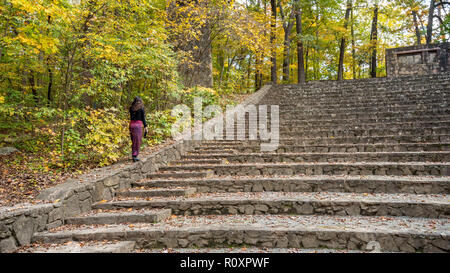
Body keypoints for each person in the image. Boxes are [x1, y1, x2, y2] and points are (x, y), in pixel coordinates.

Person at [129, 97, 148, 162]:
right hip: (138, 125)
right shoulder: (141, 108)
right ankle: (135, 155)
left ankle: (133, 154)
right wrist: (145, 127)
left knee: (133, 140)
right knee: (137, 141)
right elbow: (143, 119)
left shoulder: (131, 108)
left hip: (131, 125)